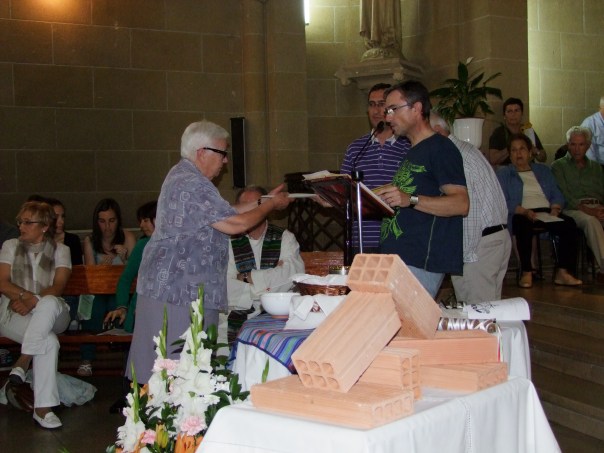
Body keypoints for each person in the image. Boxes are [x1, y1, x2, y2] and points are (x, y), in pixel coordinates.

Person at [130, 120, 292, 384]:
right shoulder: (191, 183)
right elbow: (235, 224)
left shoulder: (187, 177)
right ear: (201, 152)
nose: (225, 161)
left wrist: (263, 201)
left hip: (181, 290)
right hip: (177, 292)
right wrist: (270, 206)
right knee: (175, 375)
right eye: (222, 153)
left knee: (184, 373)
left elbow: (226, 212)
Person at [375, 81, 469, 298]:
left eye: (393, 109)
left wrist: (411, 199)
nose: (387, 118)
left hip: (419, 262)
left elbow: (461, 203)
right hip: (401, 260)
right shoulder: (414, 151)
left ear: (416, 108)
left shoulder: (441, 148)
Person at [0, 201, 71, 428]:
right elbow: (2, 283)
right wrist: (26, 297)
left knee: (48, 302)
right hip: (14, 311)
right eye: (20, 222)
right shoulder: (10, 246)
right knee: (48, 341)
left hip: (53, 312)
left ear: (44, 226)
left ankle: (23, 360)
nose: (21, 226)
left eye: (28, 222)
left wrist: (34, 301)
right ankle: (43, 410)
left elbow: (58, 286)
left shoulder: (61, 250)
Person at [430, 112, 511, 303]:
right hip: (493, 238)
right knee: (487, 310)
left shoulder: (455, 156)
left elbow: (468, 210)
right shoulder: (466, 150)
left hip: (479, 245)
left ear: (438, 132)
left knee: (476, 312)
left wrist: (464, 256)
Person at [497, 133, 582, 288]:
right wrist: (524, 211)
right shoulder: (505, 173)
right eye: (514, 150)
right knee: (521, 224)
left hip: (547, 211)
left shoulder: (543, 170)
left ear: (530, 152)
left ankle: (563, 272)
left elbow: (557, 193)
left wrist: (555, 208)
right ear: (509, 155)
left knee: (570, 225)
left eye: (522, 149)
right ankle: (527, 272)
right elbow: (502, 200)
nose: (518, 153)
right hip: (522, 212)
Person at [224, 186, 305, 344]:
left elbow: (294, 275)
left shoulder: (285, 238)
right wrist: (272, 285)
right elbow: (225, 288)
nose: (250, 213)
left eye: (256, 206)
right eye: (245, 207)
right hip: (231, 324)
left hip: (280, 323)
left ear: (266, 209)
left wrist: (247, 277)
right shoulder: (226, 241)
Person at [340, 83, 411, 252]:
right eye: (372, 105)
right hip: (362, 240)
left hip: (399, 238)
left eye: (381, 104)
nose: (376, 110)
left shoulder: (408, 146)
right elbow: (343, 192)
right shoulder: (355, 148)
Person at [78, 198, 136, 376]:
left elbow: (135, 272)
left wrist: (124, 259)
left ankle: (128, 359)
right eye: (102, 221)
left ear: (118, 221)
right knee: (91, 308)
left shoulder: (127, 237)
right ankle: (86, 359)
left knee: (118, 306)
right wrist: (102, 268)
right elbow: (90, 275)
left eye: (111, 221)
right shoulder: (90, 240)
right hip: (98, 290)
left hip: (121, 290)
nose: (107, 227)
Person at [551, 126, 604, 283]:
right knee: (591, 221)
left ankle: (598, 268)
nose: (577, 149)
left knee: (595, 218)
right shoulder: (558, 166)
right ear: (568, 145)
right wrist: (589, 210)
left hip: (598, 206)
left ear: (588, 146)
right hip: (573, 209)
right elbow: (564, 195)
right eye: (573, 144)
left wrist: (601, 209)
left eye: (581, 144)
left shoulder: (596, 167)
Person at [104, 200, 158, 333]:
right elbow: (125, 279)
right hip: (140, 310)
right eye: (141, 221)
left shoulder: (177, 244)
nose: (141, 225)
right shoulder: (143, 245)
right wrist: (122, 306)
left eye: (146, 220)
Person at [488, 97, 547, 166]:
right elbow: (493, 159)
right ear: (504, 116)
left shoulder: (528, 131)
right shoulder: (498, 132)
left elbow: (543, 158)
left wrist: (536, 151)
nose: (513, 114)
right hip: (508, 169)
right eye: (510, 111)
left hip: (528, 168)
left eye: (516, 110)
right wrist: (511, 148)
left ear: (522, 114)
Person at [580, 95, 604, 165]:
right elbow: (588, 151)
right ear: (600, 108)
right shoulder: (589, 123)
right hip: (597, 165)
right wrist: (596, 168)